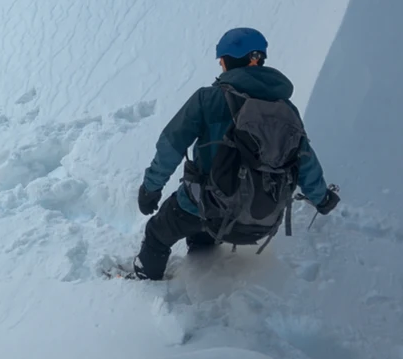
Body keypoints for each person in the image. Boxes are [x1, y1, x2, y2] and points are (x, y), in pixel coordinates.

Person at [127, 28, 340, 281]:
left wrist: (151, 188)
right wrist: (322, 198)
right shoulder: (286, 108)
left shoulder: (208, 99)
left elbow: (170, 146)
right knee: (207, 218)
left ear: (230, 60)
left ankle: (144, 284)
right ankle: (202, 261)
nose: (221, 67)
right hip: (262, 218)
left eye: (221, 61)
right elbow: (305, 159)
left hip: (206, 208)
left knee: (158, 232)